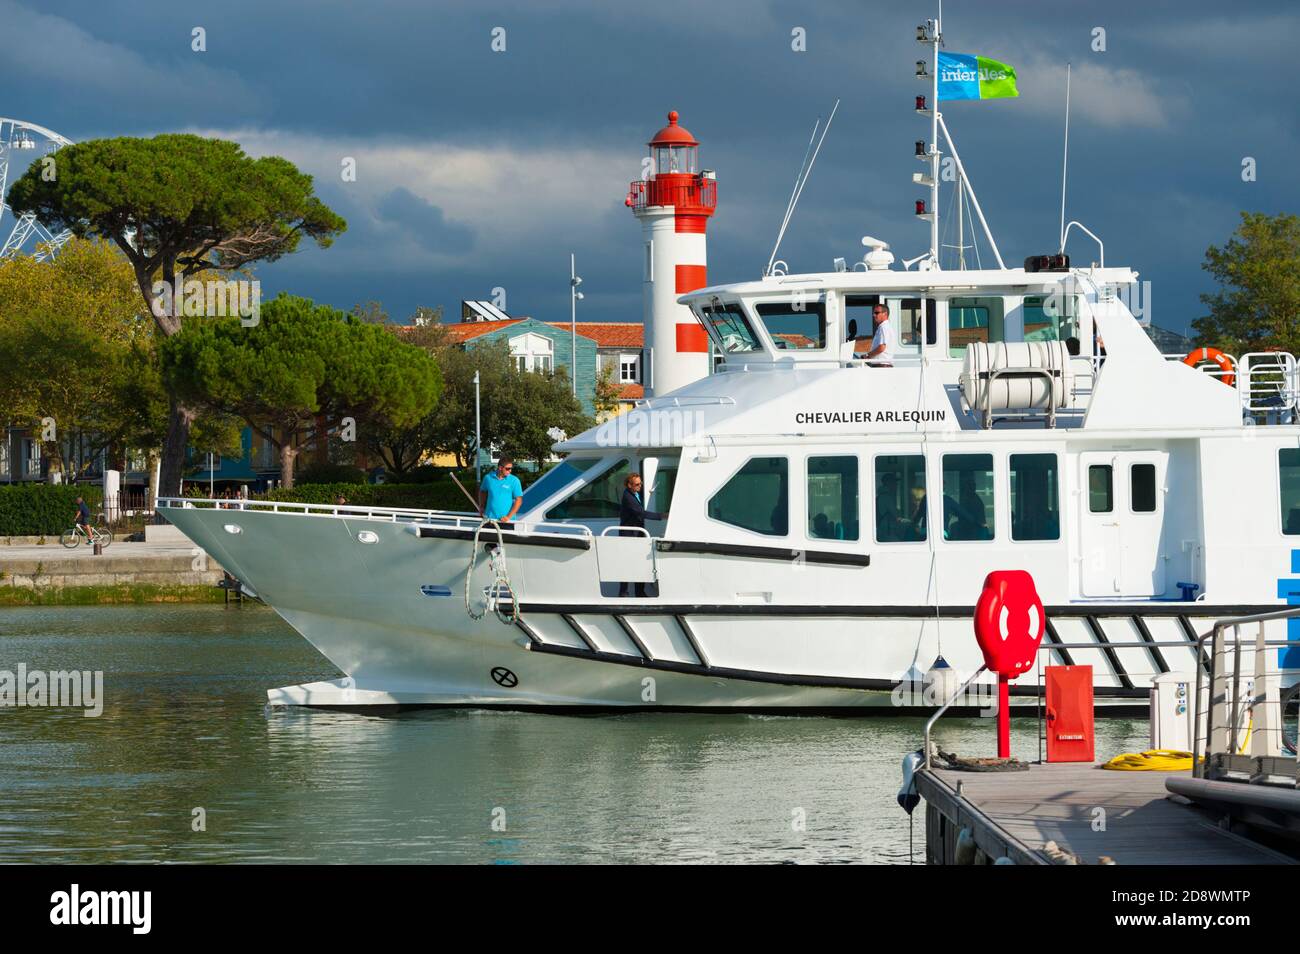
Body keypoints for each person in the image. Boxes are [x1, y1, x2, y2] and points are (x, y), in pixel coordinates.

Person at [618, 473, 665, 597]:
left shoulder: (635, 493)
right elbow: (640, 513)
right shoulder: (627, 497)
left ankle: (640, 592)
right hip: (629, 536)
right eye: (637, 484)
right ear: (629, 485)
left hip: (637, 534)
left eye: (641, 483)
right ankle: (624, 593)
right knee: (627, 564)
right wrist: (662, 516)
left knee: (640, 563)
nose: (640, 486)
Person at [478, 456, 523, 523]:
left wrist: (508, 517)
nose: (510, 471)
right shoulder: (488, 478)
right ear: (500, 468)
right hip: (489, 519)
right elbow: (482, 491)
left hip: (506, 521)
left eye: (511, 468)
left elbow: (519, 500)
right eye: (508, 468)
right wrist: (481, 506)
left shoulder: (514, 480)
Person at [864, 303, 894, 367]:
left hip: (882, 366)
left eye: (877, 313)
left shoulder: (884, 327)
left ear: (885, 314)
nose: (874, 315)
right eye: (873, 313)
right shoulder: (884, 327)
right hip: (882, 365)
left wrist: (867, 355)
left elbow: (881, 348)